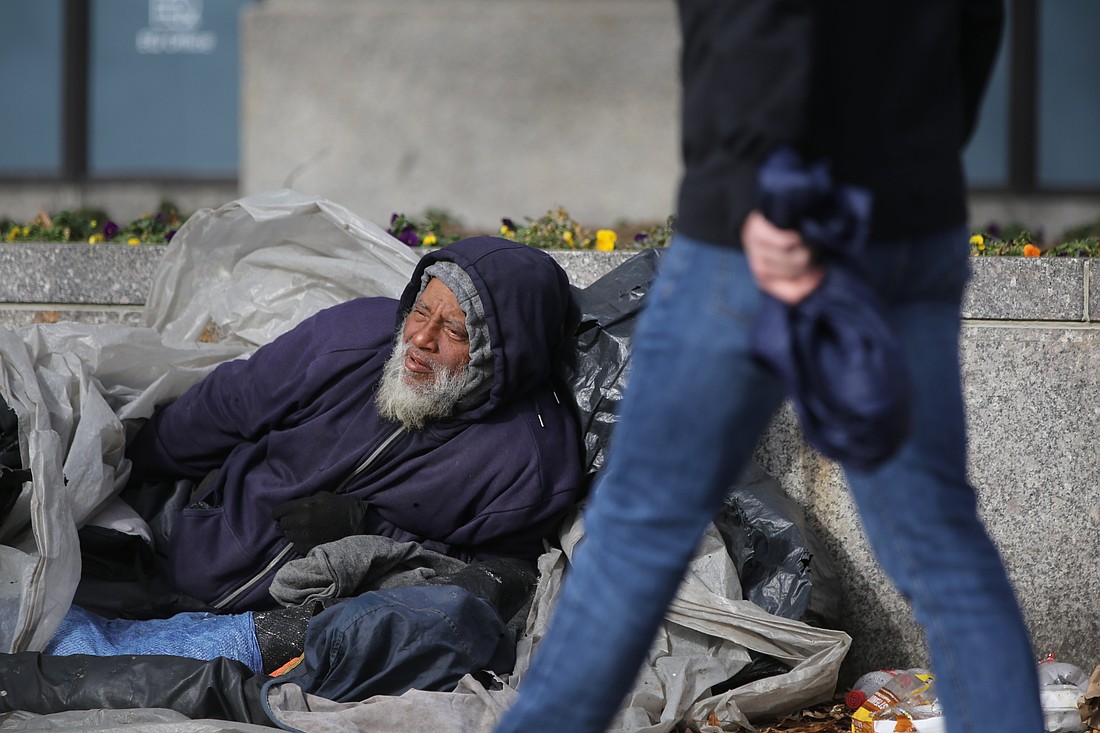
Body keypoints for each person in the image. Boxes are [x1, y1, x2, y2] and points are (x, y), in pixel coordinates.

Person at [493, 3, 1045, 733]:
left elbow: (764, 19)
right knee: (939, 543)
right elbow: (974, 22)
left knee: (638, 531)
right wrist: (915, 154)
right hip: (910, 218)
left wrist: (773, 188)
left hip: (758, 226)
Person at [120, 235, 585, 613]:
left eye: (455, 331)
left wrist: (367, 530)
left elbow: (493, 579)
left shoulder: (530, 461)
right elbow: (223, 407)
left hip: (304, 624)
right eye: (421, 311)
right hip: (196, 536)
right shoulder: (348, 337)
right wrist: (126, 469)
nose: (421, 339)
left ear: (504, 354)